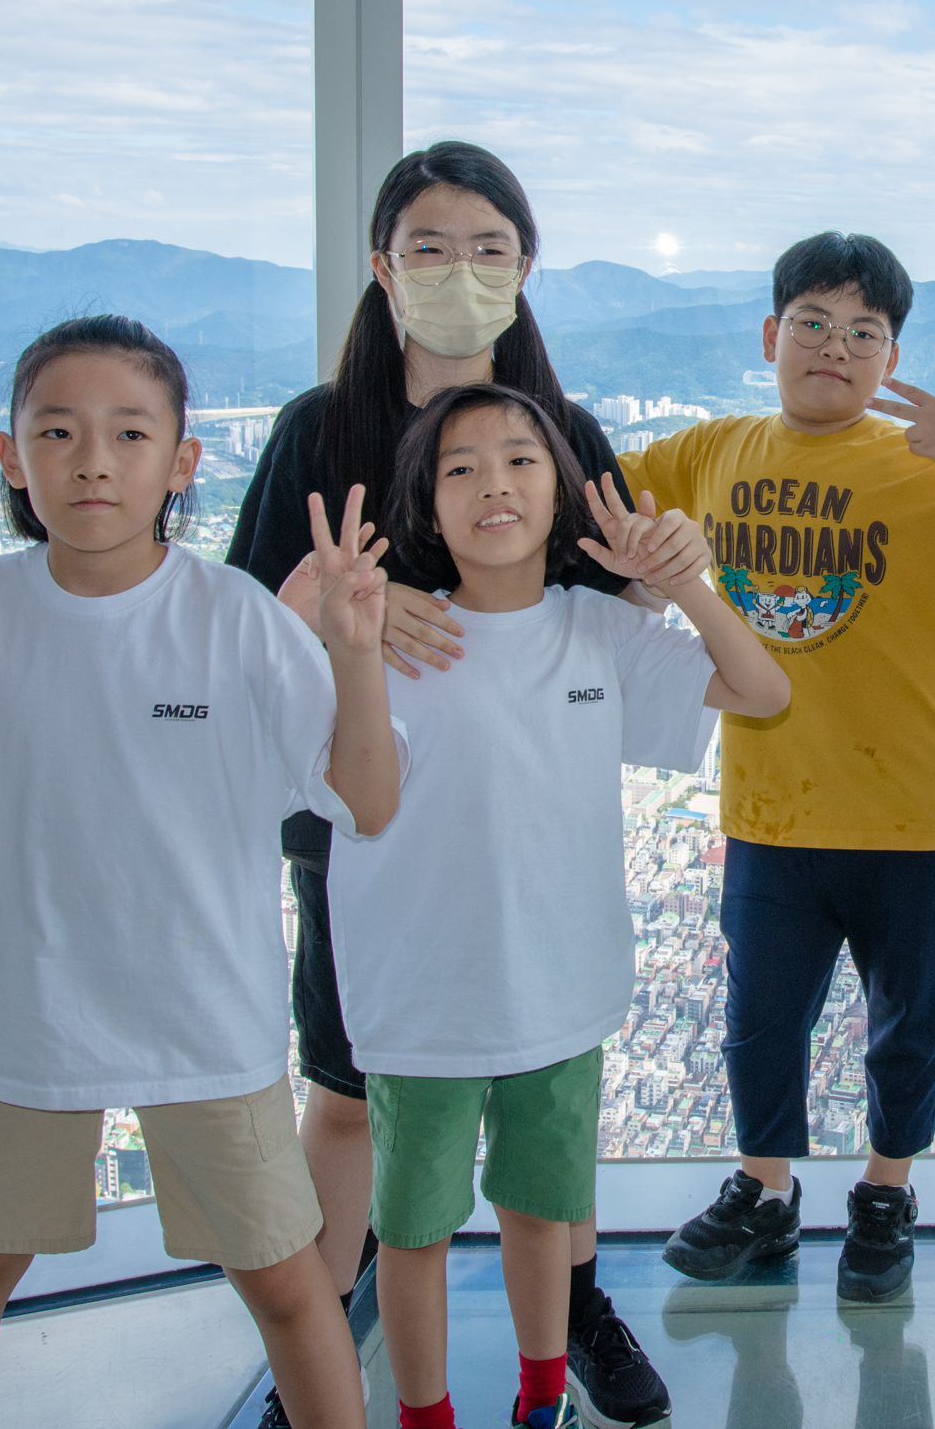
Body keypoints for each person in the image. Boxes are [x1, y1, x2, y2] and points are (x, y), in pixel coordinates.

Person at [0, 317, 402, 1429]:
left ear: (182, 459)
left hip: (204, 1019)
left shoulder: (234, 620)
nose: (93, 461)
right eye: (58, 431)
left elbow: (367, 800)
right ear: (12, 457)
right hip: (24, 1018)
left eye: (130, 432)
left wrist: (355, 657)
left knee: (288, 1285)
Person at [227, 143, 671, 1426]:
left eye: (488, 247)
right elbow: (248, 624)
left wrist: (659, 573)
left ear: (525, 267)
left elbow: (618, 606)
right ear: (382, 266)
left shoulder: (563, 432)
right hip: (357, 815)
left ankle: (572, 1309)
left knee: (548, 1078)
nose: (458, 271)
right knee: (348, 1087)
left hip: (520, 820)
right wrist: (349, 618)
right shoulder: (321, 429)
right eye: (428, 246)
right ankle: (320, 1344)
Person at [308, 381, 789, 1429]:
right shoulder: (395, 638)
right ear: (425, 504)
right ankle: (425, 1414)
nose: (495, 483)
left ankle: (542, 1400)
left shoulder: (595, 631)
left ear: (562, 491)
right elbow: (364, 800)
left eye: (521, 459)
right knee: (413, 1230)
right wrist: (347, 645)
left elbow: (762, 689)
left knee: (544, 1210)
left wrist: (687, 583)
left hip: (559, 993)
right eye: (461, 467)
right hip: (422, 1003)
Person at [627, 231, 935, 1303]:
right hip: (771, 801)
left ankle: (886, 1195)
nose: (834, 347)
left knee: (910, 1024)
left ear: (892, 358)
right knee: (760, 1020)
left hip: (917, 805)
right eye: (812, 322)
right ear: (770, 335)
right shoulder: (708, 452)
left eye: (864, 332)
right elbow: (588, 495)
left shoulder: (929, 465)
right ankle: (764, 1192)